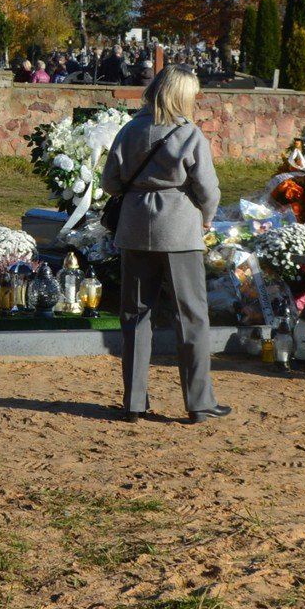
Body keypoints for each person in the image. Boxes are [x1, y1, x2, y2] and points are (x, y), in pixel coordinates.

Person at [102, 65, 228, 424]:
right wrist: (207, 216)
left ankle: (134, 402)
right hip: (179, 232)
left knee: (135, 316)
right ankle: (199, 403)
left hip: (135, 228)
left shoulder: (129, 130)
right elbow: (207, 188)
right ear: (183, 96)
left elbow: (110, 182)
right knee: (190, 316)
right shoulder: (189, 134)